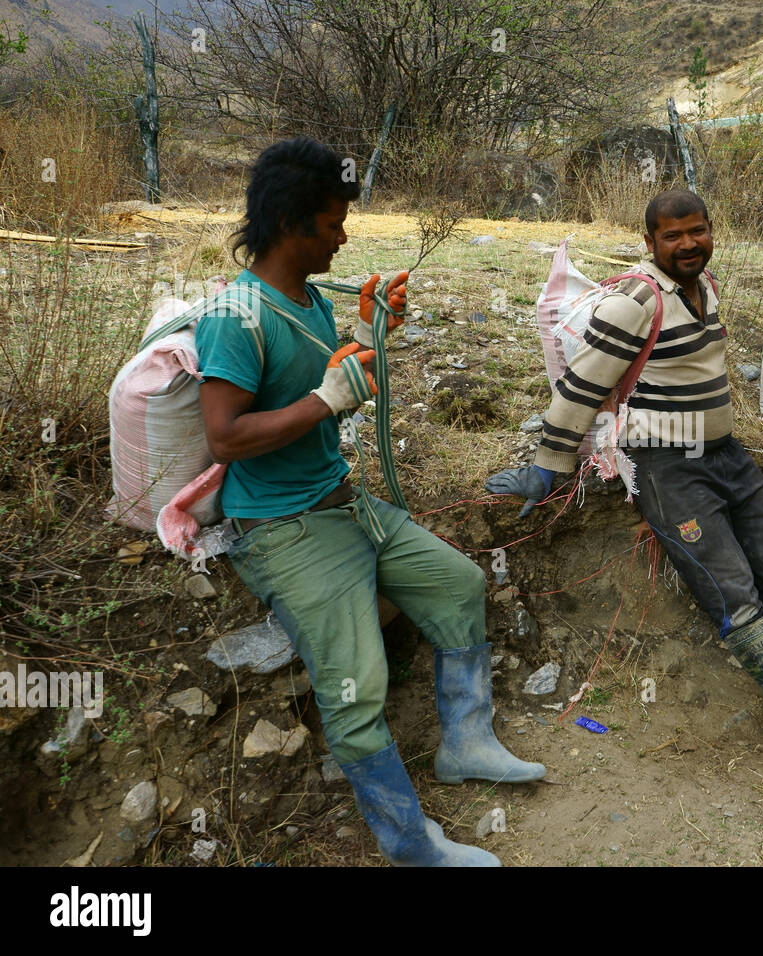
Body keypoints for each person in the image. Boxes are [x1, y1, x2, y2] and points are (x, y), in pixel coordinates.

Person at [196, 136, 543, 868]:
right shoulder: (236, 314)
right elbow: (225, 436)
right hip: (283, 528)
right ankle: (411, 845)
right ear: (292, 223)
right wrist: (325, 400)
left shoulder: (307, 301)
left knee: (459, 584)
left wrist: (366, 333)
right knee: (356, 685)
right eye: (331, 223)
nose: (343, 235)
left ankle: (467, 744)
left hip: (342, 503)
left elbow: (332, 394)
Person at [486, 189, 763, 768]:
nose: (687, 243)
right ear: (649, 242)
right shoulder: (635, 301)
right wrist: (547, 467)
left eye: (696, 231)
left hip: (727, 456)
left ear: (710, 232)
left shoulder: (706, 290)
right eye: (671, 236)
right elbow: (582, 384)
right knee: (728, 587)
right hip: (668, 469)